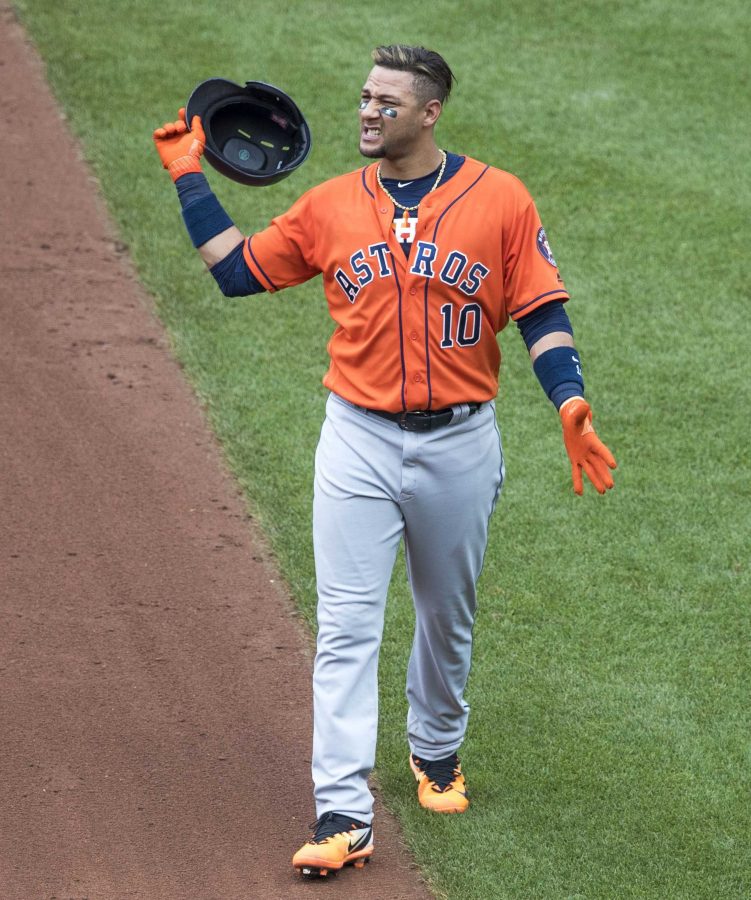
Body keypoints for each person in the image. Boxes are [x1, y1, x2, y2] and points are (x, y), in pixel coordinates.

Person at [153, 44, 616, 877]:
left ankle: (435, 750)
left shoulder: (500, 198)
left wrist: (569, 400)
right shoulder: (331, 205)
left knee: (447, 613)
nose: (367, 112)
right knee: (346, 626)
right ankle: (342, 809)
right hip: (358, 440)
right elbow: (236, 274)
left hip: (461, 442)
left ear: (429, 112)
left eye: (386, 102)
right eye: (365, 98)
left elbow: (540, 309)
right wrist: (190, 176)